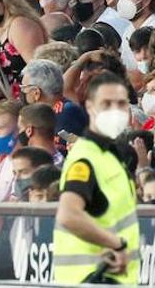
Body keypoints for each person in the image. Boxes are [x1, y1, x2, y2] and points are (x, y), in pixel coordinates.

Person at [53, 71, 139, 284]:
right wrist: (116, 244)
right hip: (92, 277)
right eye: (106, 104)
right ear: (90, 106)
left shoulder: (111, 156)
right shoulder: (86, 157)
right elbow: (68, 215)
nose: (115, 111)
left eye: (121, 104)